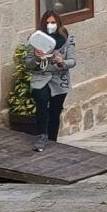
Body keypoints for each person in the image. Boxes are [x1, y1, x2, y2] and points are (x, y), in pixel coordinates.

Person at [26, 10, 76, 151]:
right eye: (47, 23)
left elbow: (72, 60)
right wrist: (36, 57)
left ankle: (53, 139)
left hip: (59, 79)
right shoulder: (35, 38)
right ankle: (41, 136)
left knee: (55, 110)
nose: (50, 25)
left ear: (58, 23)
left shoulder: (67, 38)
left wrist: (62, 62)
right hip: (41, 77)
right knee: (41, 101)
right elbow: (28, 63)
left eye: (53, 22)